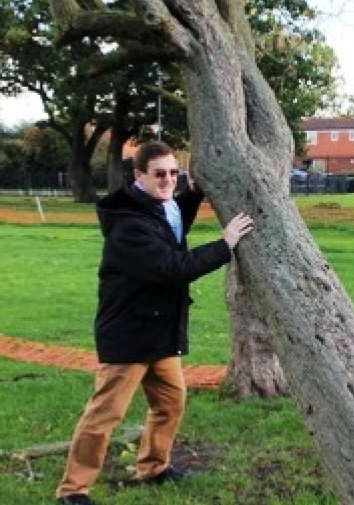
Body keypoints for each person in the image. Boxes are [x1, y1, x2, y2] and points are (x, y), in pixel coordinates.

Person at [56, 141, 253, 505]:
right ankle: (73, 490)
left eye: (173, 173)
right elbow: (171, 268)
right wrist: (225, 245)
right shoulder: (129, 226)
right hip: (130, 335)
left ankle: (153, 466)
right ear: (138, 176)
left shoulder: (159, 207)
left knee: (171, 402)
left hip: (159, 332)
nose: (167, 180)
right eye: (159, 174)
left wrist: (195, 193)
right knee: (104, 415)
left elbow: (174, 221)